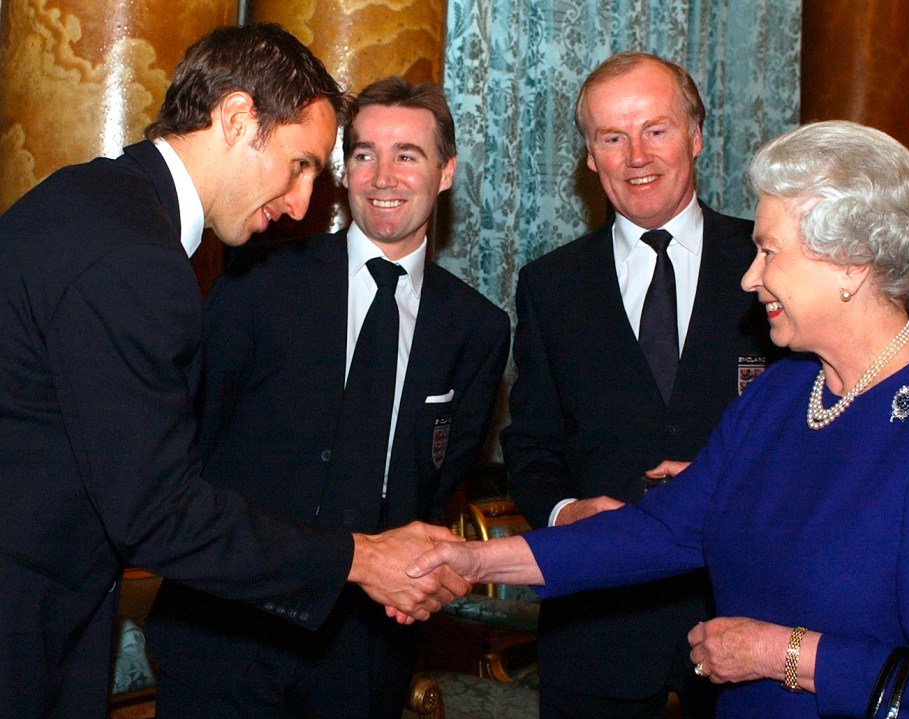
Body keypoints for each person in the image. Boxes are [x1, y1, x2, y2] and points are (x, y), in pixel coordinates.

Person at [408, 120, 909, 718]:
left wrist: (782, 653)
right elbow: (660, 530)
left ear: (850, 262)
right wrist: (476, 561)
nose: (751, 277)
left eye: (769, 251)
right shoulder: (783, 392)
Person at [0, 25, 470, 719]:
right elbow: (158, 511)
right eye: (301, 164)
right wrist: (359, 557)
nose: (305, 203)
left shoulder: (93, 201)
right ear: (237, 118)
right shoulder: (135, 257)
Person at [147, 76, 511, 719]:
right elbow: (192, 444)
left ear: (446, 171)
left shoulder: (477, 329)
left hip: (365, 650)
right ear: (344, 171)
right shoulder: (257, 281)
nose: (382, 175)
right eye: (365, 153)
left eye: (408, 155)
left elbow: (434, 485)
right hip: (227, 632)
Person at [498, 51, 775, 718]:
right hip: (597, 633)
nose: (635, 156)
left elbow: (824, 432)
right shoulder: (550, 286)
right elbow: (531, 443)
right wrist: (567, 515)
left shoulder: (773, 264)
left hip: (752, 625)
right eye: (611, 138)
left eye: (656, 129)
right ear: (589, 157)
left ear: (697, 135)